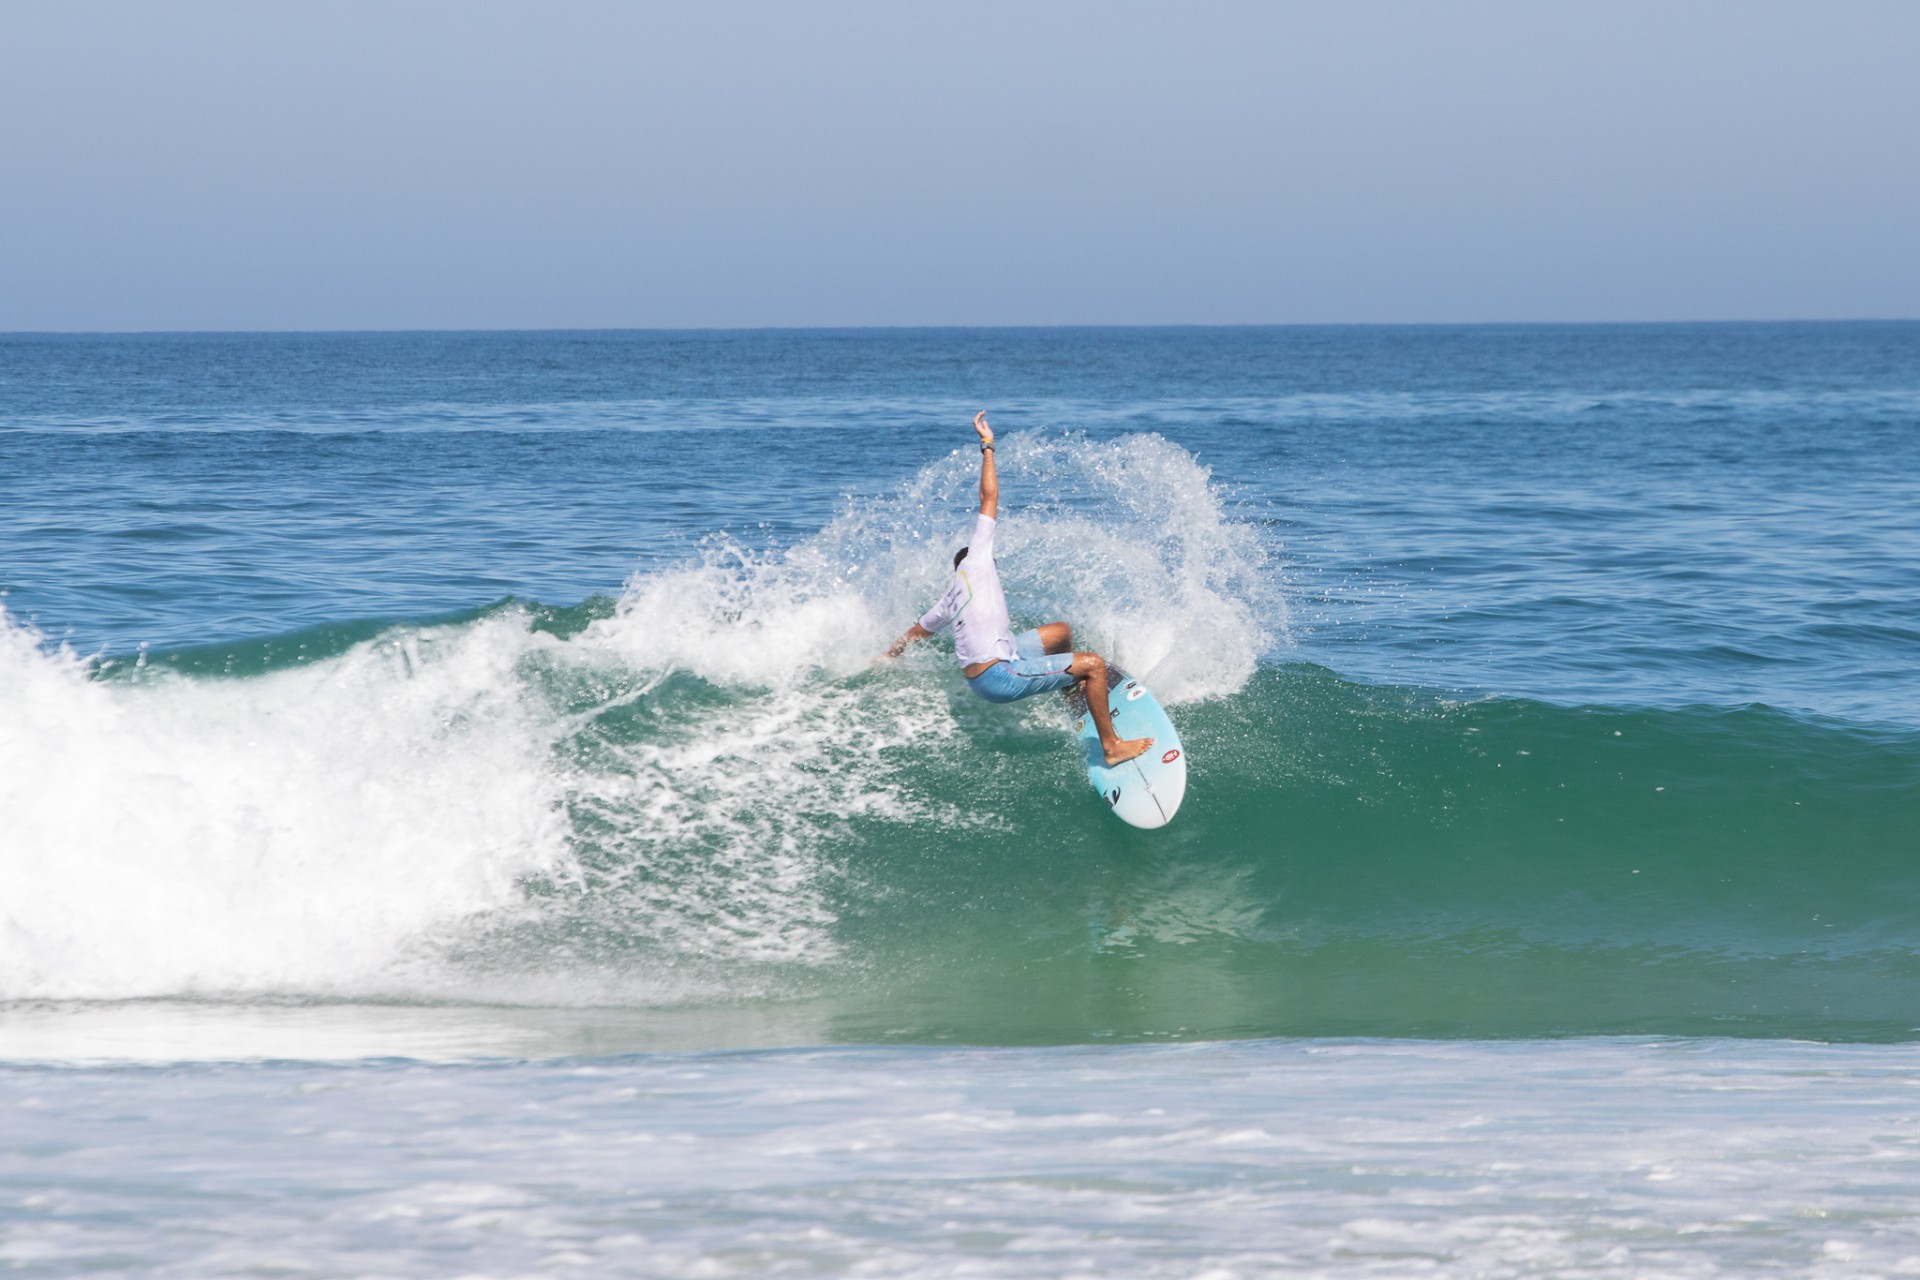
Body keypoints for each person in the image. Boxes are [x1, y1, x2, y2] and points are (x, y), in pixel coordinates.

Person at [881, 412, 1154, 767]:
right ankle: (1112, 747)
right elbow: (988, 497)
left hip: (993, 666)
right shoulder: (978, 560)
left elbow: (916, 633)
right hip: (999, 675)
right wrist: (987, 446)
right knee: (1095, 664)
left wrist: (887, 656)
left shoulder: (949, 597)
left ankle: (1071, 693)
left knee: (1060, 633)